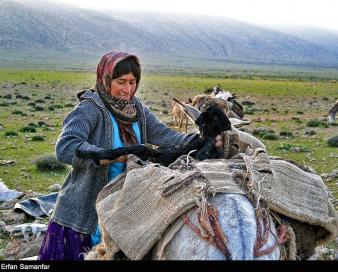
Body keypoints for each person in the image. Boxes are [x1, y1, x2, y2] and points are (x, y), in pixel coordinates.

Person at [37, 51, 221, 260]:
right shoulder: (89, 108)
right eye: (121, 82)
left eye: (133, 82)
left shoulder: (137, 109)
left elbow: (164, 135)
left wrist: (201, 140)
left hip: (125, 207)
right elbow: (66, 147)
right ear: (106, 79)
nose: (127, 89)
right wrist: (116, 155)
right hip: (86, 213)